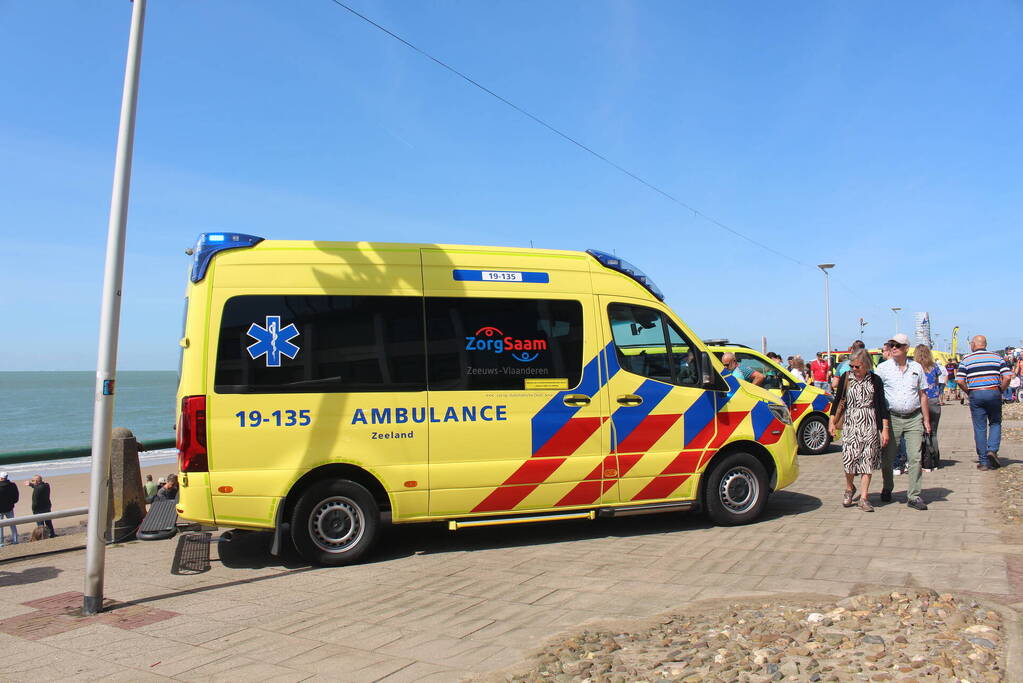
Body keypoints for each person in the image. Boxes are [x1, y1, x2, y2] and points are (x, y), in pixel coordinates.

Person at [875, 333, 932, 510]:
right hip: (892, 418)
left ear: (906, 348)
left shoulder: (916, 368)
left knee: (915, 457)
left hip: (914, 417)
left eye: (897, 345)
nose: (893, 348)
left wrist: (926, 420)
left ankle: (914, 495)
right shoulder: (883, 369)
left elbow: (923, 394)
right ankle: (887, 487)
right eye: (891, 344)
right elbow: (876, 395)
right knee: (888, 457)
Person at [829, 349, 889, 511]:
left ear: (866, 365)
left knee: (867, 461)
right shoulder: (846, 378)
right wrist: (832, 421)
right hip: (851, 423)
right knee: (849, 459)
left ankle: (864, 498)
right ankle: (850, 488)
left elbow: (881, 406)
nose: (854, 369)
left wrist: (884, 429)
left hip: (869, 423)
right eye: (852, 366)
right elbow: (837, 400)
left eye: (857, 366)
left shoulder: (875, 380)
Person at [957, 335, 1012, 471]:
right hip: (993, 391)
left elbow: (960, 380)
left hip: (976, 393)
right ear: (985, 344)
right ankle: (992, 449)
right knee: (995, 422)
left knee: (980, 427)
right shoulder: (997, 357)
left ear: (974, 344)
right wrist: (1001, 390)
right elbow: (1007, 377)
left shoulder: (966, 359)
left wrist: (968, 391)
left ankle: (983, 462)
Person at [915, 345, 944, 471]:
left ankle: (924, 461)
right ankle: (934, 461)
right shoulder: (934, 366)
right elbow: (937, 382)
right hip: (934, 400)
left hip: (920, 401)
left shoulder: (915, 367)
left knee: (921, 433)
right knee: (933, 433)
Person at [0, 472, 20, 546]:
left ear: (1, 478)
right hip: (9, 508)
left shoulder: (12, 485)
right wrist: (12, 502)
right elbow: (16, 497)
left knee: (1, 526)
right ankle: (15, 540)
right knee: (12, 524)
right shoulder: (12, 485)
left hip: (2, 509)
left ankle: (1, 543)